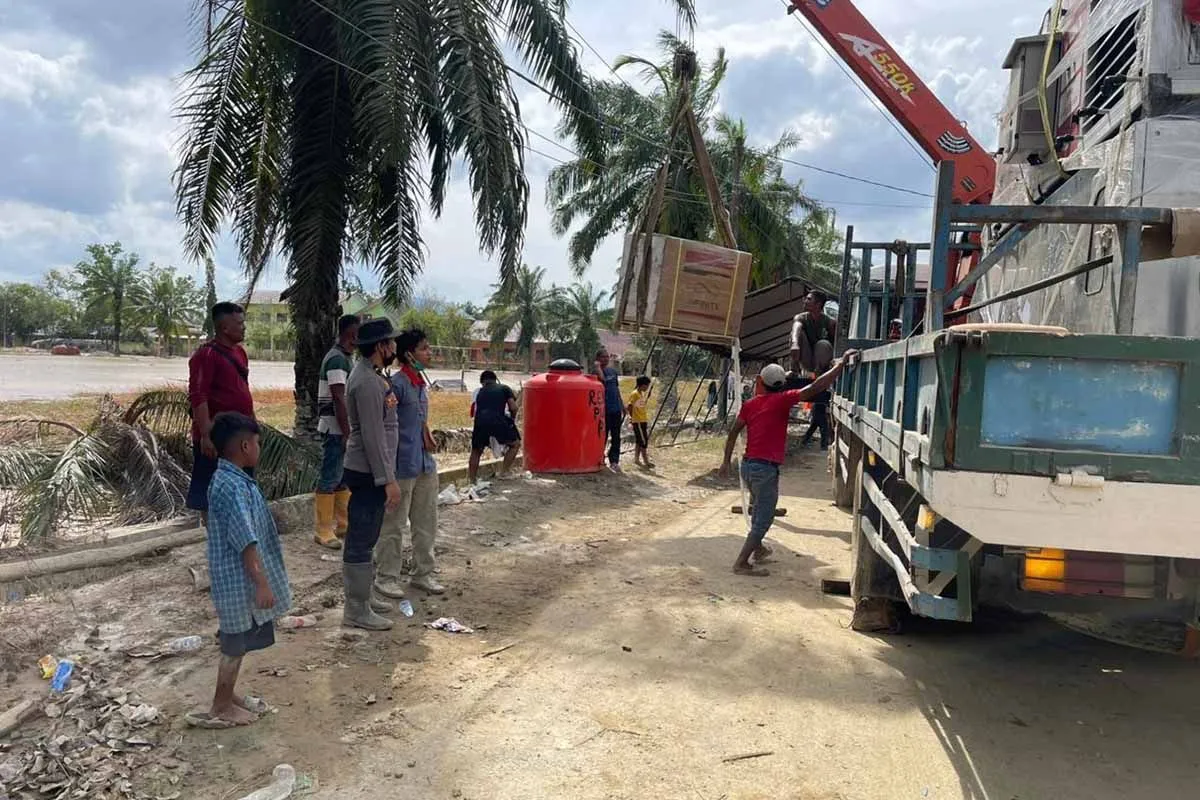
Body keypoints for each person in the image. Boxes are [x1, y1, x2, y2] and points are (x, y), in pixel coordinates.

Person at [185, 412, 290, 729]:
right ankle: (220, 705)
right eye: (257, 443)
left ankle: (229, 695)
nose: (259, 448)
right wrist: (262, 584)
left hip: (240, 579)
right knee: (234, 643)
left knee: (241, 640)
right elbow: (246, 540)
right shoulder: (231, 487)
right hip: (239, 581)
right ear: (245, 446)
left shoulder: (234, 480)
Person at [719, 354, 856, 577]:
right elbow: (814, 388)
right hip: (765, 469)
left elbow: (733, 431)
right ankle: (741, 563)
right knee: (765, 516)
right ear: (780, 384)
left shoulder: (749, 405)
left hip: (748, 467)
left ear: (760, 382)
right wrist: (839, 366)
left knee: (758, 507)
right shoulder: (782, 400)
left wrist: (726, 462)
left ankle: (759, 548)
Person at [341, 318, 403, 631]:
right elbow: (373, 436)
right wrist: (388, 479)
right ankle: (356, 609)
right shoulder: (365, 381)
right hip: (367, 471)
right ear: (381, 347)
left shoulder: (373, 376)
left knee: (369, 535)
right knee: (361, 538)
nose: (394, 347)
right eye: (391, 342)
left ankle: (363, 599)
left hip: (372, 469)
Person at [375, 328, 446, 599]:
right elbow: (387, 426)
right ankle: (387, 576)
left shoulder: (419, 385)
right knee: (393, 525)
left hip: (424, 463)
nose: (429, 353)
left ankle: (423, 573)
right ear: (408, 354)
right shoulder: (397, 386)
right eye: (424, 349)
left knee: (426, 522)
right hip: (401, 466)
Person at [187, 302, 254, 520]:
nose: (243, 327)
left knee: (242, 485)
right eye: (239, 323)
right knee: (211, 490)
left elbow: (243, 389)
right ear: (224, 327)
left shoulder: (240, 353)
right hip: (216, 437)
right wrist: (206, 435)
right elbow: (199, 395)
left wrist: (253, 424)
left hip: (240, 434)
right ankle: (213, 536)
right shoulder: (206, 355)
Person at [313, 314, 360, 550]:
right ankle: (323, 529)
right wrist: (346, 431)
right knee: (330, 476)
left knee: (341, 477)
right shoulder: (338, 360)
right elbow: (339, 398)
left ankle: (343, 523)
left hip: (338, 426)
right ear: (353, 334)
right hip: (335, 427)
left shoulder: (343, 358)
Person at [468, 370, 521, 484]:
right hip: (498, 420)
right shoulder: (504, 388)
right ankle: (504, 472)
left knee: (476, 451)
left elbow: (474, 410)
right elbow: (513, 407)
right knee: (515, 444)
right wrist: (512, 420)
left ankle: (472, 480)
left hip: (480, 422)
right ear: (495, 379)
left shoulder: (479, 391)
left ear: (482, 382)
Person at [789, 290, 837, 376]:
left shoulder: (829, 322)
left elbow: (835, 342)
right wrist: (795, 343)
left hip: (820, 361)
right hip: (806, 358)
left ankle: (820, 372)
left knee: (823, 344)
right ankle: (794, 370)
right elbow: (796, 327)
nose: (805, 301)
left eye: (809, 299)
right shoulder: (801, 317)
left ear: (818, 304)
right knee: (797, 333)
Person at [593, 348, 624, 472]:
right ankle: (600, 457)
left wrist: (622, 405)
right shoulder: (595, 372)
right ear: (598, 359)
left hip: (615, 408)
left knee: (616, 436)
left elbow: (616, 389)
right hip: (603, 411)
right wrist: (598, 368)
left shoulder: (613, 371)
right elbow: (603, 380)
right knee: (602, 436)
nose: (606, 359)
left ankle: (614, 461)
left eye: (607, 357)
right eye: (603, 357)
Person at [801, 339, 835, 450]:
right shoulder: (819, 373)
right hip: (819, 406)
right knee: (823, 428)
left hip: (818, 406)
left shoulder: (820, 373)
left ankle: (804, 441)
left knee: (814, 426)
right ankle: (823, 446)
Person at [626, 376, 654, 469]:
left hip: (643, 420)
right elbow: (629, 406)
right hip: (638, 421)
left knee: (639, 440)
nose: (647, 387)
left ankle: (636, 459)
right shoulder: (634, 394)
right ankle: (646, 461)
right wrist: (631, 417)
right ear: (642, 385)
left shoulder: (640, 394)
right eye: (646, 385)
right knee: (643, 441)